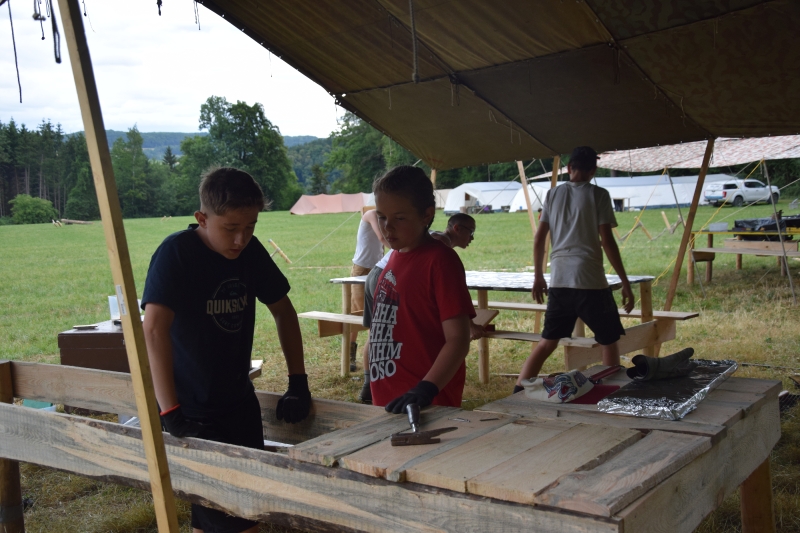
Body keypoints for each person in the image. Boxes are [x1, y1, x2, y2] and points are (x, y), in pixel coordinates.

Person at [141, 167, 310, 533]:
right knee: (229, 515)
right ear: (202, 218)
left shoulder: (250, 252)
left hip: (238, 400)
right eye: (231, 228)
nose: (240, 239)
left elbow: (283, 311)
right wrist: (170, 412)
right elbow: (153, 330)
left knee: (240, 511)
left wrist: (298, 381)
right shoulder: (177, 254)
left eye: (250, 227)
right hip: (193, 409)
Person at [514, 147, 635, 393]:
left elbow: (539, 238)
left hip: (559, 278)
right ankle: (611, 391)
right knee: (608, 340)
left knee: (547, 342)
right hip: (590, 280)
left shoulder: (552, 194)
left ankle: (519, 388)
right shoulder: (598, 194)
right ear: (593, 171)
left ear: (569, 168)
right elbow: (607, 241)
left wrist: (538, 277)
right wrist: (624, 282)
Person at [366, 166, 476, 413]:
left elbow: (458, 339)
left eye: (399, 218)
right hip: (389, 399)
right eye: (381, 217)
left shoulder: (440, 261)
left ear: (426, 215)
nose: (387, 227)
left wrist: (426, 389)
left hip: (426, 403)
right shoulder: (394, 258)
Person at [357, 212, 482, 403]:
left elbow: (455, 330)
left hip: (380, 274)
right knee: (381, 330)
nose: (471, 238)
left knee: (380, 330)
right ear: (457, 228)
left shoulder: (434, 252)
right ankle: (369, 384)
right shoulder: (439, 249)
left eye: (399, 218)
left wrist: (424, 389)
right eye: (470, 232)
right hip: (385, 275)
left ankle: (368, 384)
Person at [348, 207, 390, 371]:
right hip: (361, 269)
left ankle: (375, 354)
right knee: (360, 312)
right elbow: (382, 237)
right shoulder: (371, 214)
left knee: (376, 311)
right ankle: (352, 356)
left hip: (377, 268)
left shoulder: (386, 217)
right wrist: (399, 251)